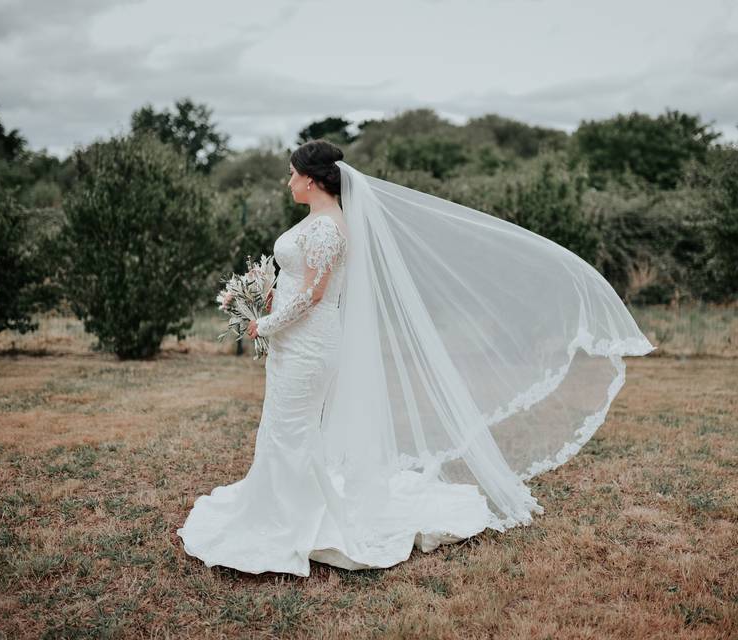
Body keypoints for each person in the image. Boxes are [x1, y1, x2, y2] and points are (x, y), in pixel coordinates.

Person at [177, 140, 656, 576]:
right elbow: (299, 285)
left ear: (311, 179)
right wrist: (266, 299)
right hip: (294, 340)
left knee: (292, 428)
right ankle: (280, 506)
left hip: (307, 340)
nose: (287, 181)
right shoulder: (316, 222)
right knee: (287, 426)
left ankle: (289, 518)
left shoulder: (326, 228)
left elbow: (318, 295)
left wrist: (269, 324)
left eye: (290, 173)